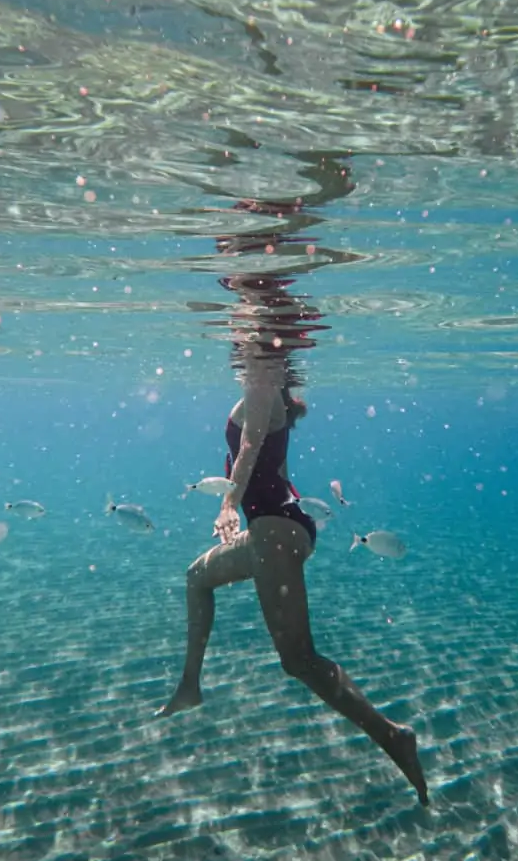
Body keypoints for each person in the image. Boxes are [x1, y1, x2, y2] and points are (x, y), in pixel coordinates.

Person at [157, 340, 429, 806]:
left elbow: (247, 450)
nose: (234, 349)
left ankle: (393, 735)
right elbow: (276, 469)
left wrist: (228, 505)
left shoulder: (262, 385)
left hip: (275, 532)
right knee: (196, 576)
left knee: (298, 660)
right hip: (279, 529)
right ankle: (189, 687)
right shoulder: (270, 391)